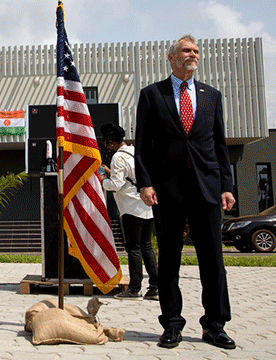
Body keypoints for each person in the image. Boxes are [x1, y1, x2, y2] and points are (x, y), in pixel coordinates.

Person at [134, 35, 236, 350]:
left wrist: (227, 186)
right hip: (168, 190)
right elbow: (143, 146)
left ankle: (215, 325)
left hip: (207, 189)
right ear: (172, 58)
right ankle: (172, 324)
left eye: (195, 51)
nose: (192, 55)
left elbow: (220, 145)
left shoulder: (212, 96)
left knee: (213, 260)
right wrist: (146, 183)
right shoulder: (152, 95)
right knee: (170, 261)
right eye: (186, 50)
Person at [99, 122, 158, 301]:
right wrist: (111, 172)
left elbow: (116, 184)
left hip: (130, 208)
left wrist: (102, 179)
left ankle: (134, 289)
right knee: (146, 247)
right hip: (146, 207)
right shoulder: (135, 152)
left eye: (107, 144)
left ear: (110, 142)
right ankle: (155, 287)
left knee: (133, 248)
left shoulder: (118, 157)